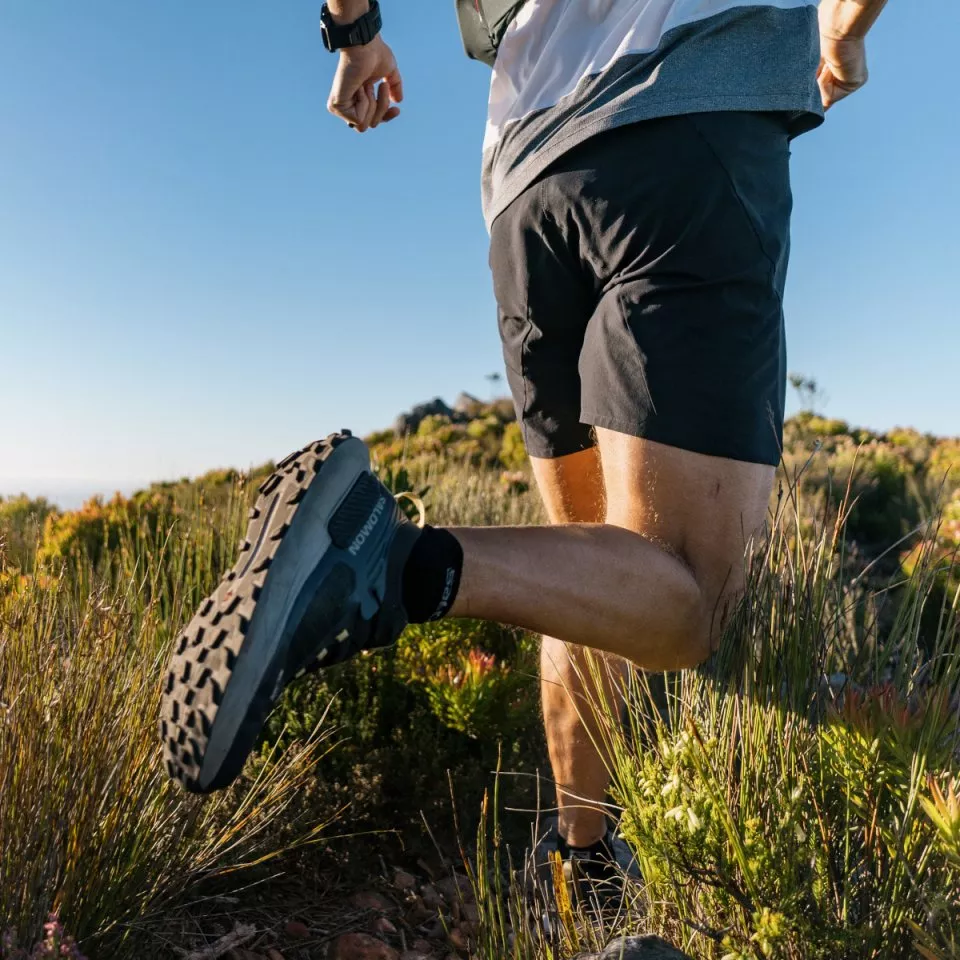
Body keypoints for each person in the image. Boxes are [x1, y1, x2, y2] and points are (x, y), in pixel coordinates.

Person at [160, 0, 887, 892]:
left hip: (525, 187)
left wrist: (353, 37)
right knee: (694, 597)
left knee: (586, 567)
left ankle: (582, 861)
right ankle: (389, 562)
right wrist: (843, 34)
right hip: (683, 117)